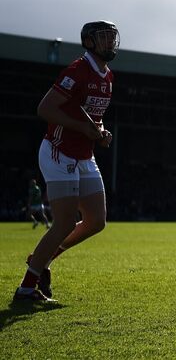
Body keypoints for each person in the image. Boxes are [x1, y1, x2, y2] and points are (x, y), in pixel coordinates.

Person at [14, 21, 118, 302]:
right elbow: (45, 108)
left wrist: (100, 131)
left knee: (96, 221)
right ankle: (26, 288)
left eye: (112, 38)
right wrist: (84, 128)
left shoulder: (108, 76)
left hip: (85, 155)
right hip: (59, 151)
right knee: (64, 222)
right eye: (104, 38)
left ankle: (43, 258)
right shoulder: (77, 70)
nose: (110, 43)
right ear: (89, 42)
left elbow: (93, 114)